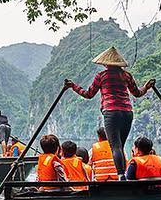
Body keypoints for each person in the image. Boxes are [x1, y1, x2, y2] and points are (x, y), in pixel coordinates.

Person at [64, 46, 155, 180]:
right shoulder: (126, 75)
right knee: (120, 146)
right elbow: (137, 93)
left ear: (106, 63)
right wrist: (146, 87)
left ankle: (121, 176)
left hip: (111, 113)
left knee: (115, 147)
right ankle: (124, 176)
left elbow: (88, 94)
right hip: (127, 113)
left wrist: (73, 86)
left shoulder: (102, 76)